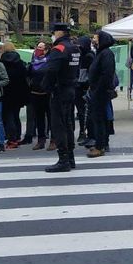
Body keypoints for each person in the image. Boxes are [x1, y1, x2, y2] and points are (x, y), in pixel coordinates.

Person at [42, 22, 81, 172]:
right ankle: (70, 158)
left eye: (53, 32)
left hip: (60, 90)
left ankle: (63, 159)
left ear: (59, 33)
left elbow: (51, 71)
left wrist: (46, 87)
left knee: (59, 125)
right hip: (71, 88)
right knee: (68, 124)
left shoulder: (59, 49)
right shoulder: (74, 48)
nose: (52, 36)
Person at [87, 30, 116, 158]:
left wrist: (98, 90)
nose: (94, 40)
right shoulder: (101, 53)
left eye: (96, 38)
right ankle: (100, 143)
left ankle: (100, 146)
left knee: (99, 119)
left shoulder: (106, 54)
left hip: (100, 92)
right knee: (98, 119)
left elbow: (106, 74)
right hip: (97, 91)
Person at [0, 42, 29, 150]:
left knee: (8, 116)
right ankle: (17, 137)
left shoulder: (1, 62)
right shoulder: (19, 61)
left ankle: (11, 138)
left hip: (6, 92)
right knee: (16, 115)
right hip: (19, 92)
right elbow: (25, 75)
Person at [25, 41, 51, 150]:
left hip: (47, 93)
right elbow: (28, 76)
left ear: (46, 50)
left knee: (50, 117)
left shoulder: (49, 62)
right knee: (39, 117)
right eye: (37, 47)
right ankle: (41, 140)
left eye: (41, 48)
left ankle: (53, 140)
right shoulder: (33, 63)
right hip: (35, 93)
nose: (38, 49)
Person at [74, 36, 94, 148]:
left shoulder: (88, 56)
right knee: (81, 112)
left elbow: (89, 74)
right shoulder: (81, 56)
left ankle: (84, 132)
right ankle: (84, 132)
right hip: (79, 86)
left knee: (84, 112)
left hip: (84, 87)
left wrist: (82, 82)